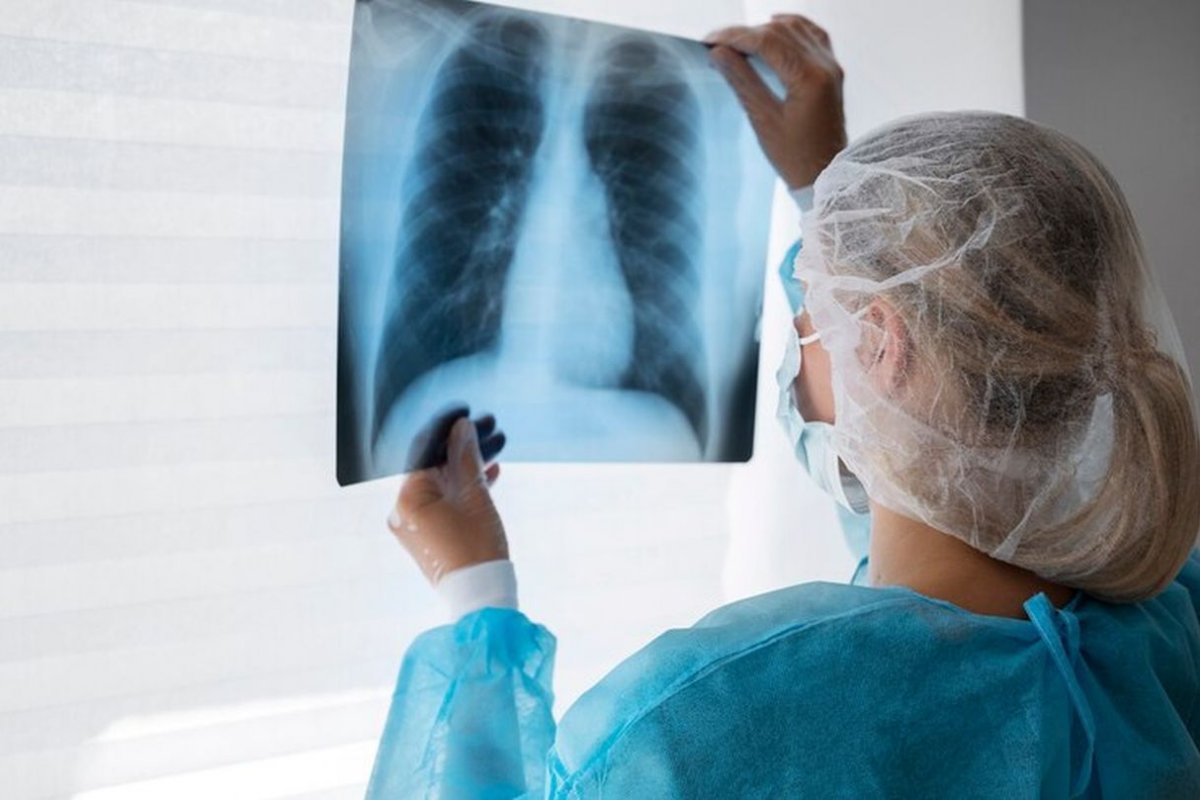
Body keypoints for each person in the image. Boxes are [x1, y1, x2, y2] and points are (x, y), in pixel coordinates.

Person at [364, 14, 1200, 798]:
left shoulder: (700, 725)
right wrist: (826, 184)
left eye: (808, 312)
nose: (798, 341)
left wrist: (474, 594)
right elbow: (934, 555)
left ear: (881, 347)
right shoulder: (1160, 629)